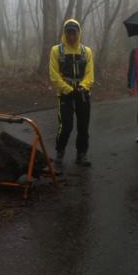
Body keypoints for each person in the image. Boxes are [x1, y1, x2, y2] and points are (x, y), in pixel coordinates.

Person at [49, 19, 94, 167]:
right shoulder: (56, 50)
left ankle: (81, 154)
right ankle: (60, 151)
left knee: (83, 126)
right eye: (68, 33)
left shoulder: (86, 51)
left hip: (82, 93)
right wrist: (67, 89)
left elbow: (90, 74)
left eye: (74, 33)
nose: (71, 37)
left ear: (78, 33)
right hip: (65, 94)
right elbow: (53, 75)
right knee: (66, 126)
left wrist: (83, 86)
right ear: (65, 33)